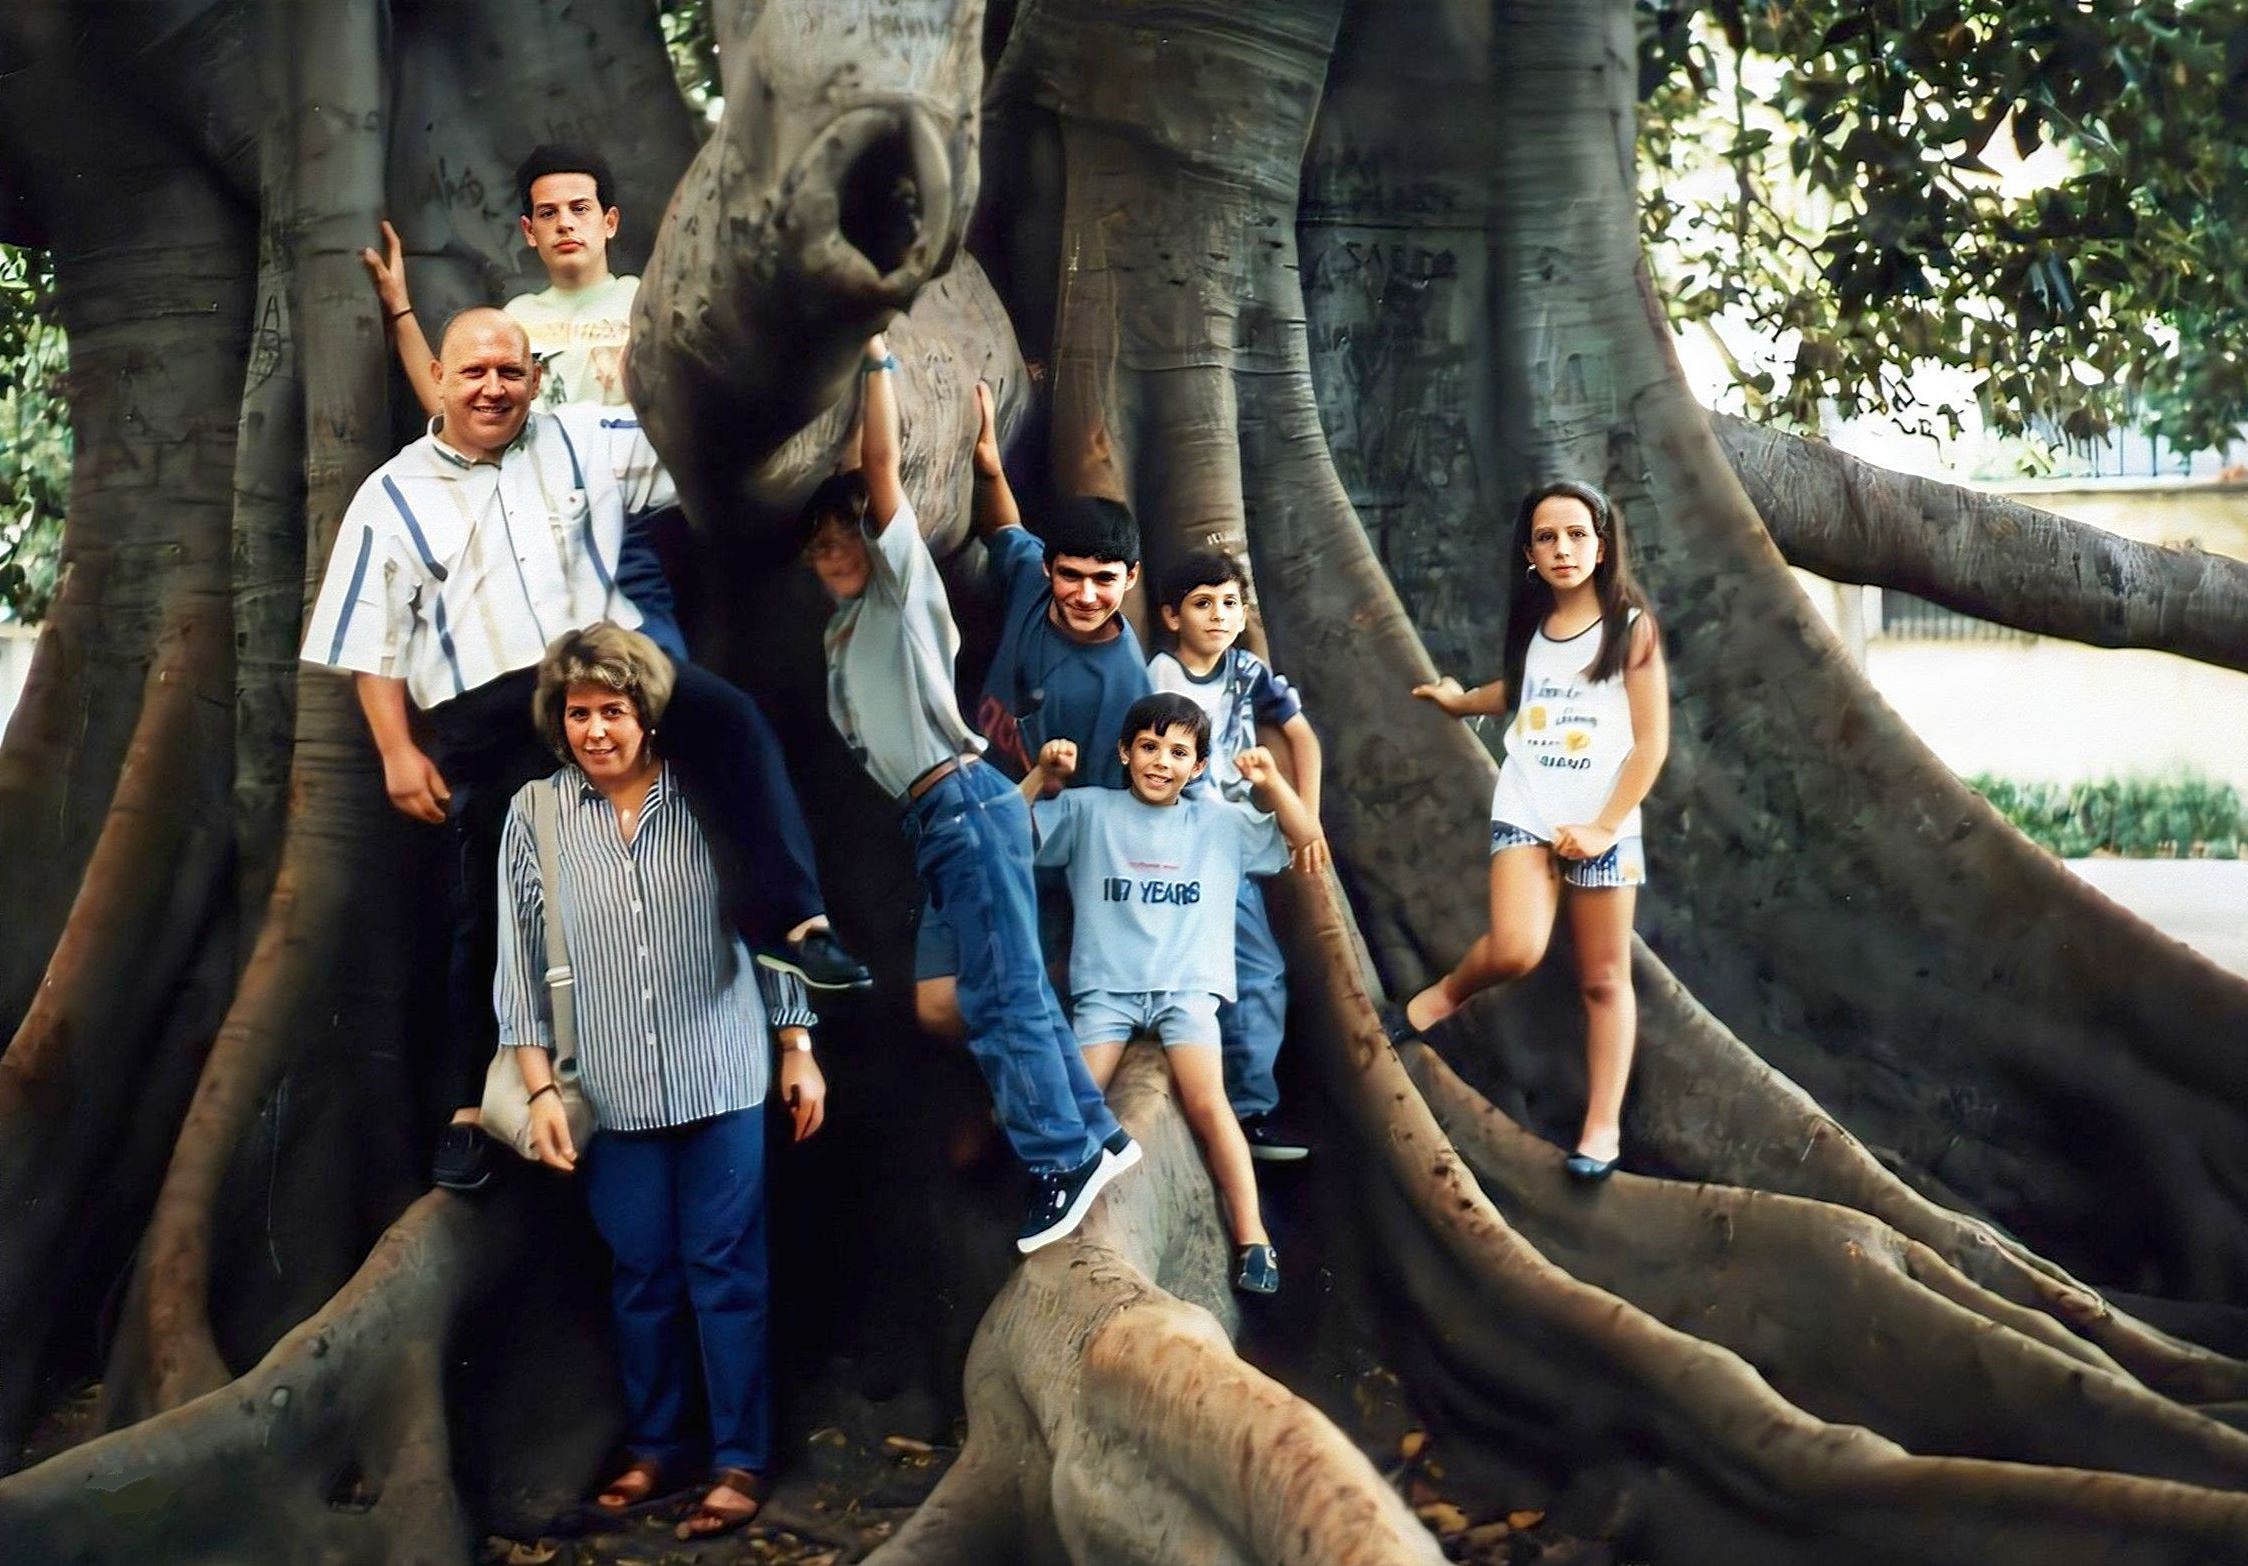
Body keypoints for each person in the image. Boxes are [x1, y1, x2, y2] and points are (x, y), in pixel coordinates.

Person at [300, 307, 864, 1195]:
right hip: (487, 708)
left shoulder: (584, 440)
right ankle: (467, 1109)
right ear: (438, 381)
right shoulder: (392, 493)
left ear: (536, 378)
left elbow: (704, 445)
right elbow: (371, 639)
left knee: (732, 725)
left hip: (606, 677)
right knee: (488, 903)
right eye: (474, 374)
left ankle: (796, 927)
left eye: (511, 373)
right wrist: (395, 751)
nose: (494, 389)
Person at [800, 335, 1139, 1253]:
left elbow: (877, 467)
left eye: (848, 538)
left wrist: (873, 364)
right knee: (1007, 984)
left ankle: (1061, 1159)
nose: (836, 553)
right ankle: (1096, 1135)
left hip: (964, 800)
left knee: (999, 992)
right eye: (821, 544)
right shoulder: (842, 634)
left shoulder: (899, 593)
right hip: (946, 815)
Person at [498, 623, 825, 1542]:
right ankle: (658, 1446)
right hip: (609, 1091)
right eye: (579, 713)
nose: (597, 730)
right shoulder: (536, 815)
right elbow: (517, 969)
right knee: (642, 1273)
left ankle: (740, 1458)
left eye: (614, 710)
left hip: (720, 1071)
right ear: (558, 723)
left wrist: (797, 1045)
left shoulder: (706, 792)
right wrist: (537, 1094)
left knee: (725, 1270)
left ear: (646, 714)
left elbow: (771, 920)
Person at [1398, 481, 1670, 1180]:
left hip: (1604, 821)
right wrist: (1461, 703)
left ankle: (1600, 1129)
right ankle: (1451, 993)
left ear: (1602, 545)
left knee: (1605, 979)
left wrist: (1606, 826)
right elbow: (1526, 691)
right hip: (1528, 806)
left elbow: (1651, 745)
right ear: (1529, 551)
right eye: (1547, 537)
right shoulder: (1536, 622)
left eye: (1577, 535)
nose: (1563, 549)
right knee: (1517, 948)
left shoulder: (1630, 626)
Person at [1019, 694, 1320, 1294]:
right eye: (1149, 747)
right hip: (1108, 992)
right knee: (1074, 1097)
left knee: (1210, 1103)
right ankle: (1050, 1211)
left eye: (1179, 752)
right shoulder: (1088, 811)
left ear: (1200, 766)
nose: (1162, 762)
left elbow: (1306, 832)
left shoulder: (1220, 822)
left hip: (1186, 990)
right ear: (1124, 753)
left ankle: (1253, 1239)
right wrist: (1043, 777)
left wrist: (1272, 781)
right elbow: (1005, 827)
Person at [914, 382, 1154, 1039]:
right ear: (1050, 569)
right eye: (1070, 574)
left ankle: (1042, 1048)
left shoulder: (1124, 687)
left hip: (1036, 860)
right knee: (935, 1005)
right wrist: (989, 466)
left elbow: (1107, 819)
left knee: (987, 996)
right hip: (967, 818)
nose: (1084, 594)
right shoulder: (1028, 581)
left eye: (1105, 579)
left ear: (1131, 579)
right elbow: (1007, 530)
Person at [1148, 550, 1325, 1162]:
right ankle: (1224, 1110)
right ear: (1172, 615)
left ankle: (1249, 1109)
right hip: (1180, 852)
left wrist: (1308, 813)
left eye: (1230, 603)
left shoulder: (1247, 672)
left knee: (1258, 973)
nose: (1220, 616)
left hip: (1236, 848)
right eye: (1203, 604)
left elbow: (1301, 735)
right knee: (1216, 975)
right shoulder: (1158, 678)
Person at [363, 143, 641, 415]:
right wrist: (399, 307)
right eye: (548, 213)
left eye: (579, 209)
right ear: (530, 231)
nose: (564, 223)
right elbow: (451, 411)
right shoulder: (518, 318)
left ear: (610, 222)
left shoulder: (642, 302)